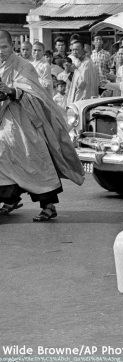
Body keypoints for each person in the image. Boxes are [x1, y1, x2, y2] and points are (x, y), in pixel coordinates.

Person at [0, 30, 84, 222]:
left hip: (24, 120)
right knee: (3, 156)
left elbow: (36, 95)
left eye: (4, 47)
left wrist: (12, 91)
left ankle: (49, 205)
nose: (0, 51)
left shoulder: (24, 66)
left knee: (34, 158)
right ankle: (10, 199)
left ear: (12, 46)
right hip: (4, 120)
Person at [65, 40, 99, 104]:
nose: (74, 52)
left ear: (83, 50)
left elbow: (82, 83)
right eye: (73, 50)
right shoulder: (78, 62)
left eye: (77, 49)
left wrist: (75, 70)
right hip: (80, 97)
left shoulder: (87, 63)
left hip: (84, 98)